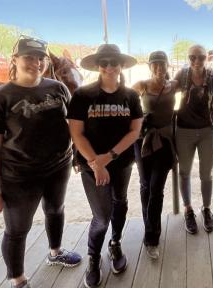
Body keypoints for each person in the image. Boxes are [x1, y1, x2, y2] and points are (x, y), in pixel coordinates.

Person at [0, 36, 81, 288]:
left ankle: (55, 252)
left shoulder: (58, 88)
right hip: (19, 176)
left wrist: (77, 154)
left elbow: (73, 126)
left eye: (41, 58)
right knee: (17, 229)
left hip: (58, 167)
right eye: (29, 57)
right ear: (15, 60)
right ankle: (17, 279)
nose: (36, 63)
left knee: (55, 210)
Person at [67, 44, 143, 287]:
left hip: (121, 163)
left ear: (121, 65)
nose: (109, 66)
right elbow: (77, 134)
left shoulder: (130, 96)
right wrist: (95, 163)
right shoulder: (83, 95)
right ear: (98, 66)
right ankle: (93, 256)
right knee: (101, 215)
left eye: (114, 62)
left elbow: (135, 130)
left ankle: (116, 243)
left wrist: (110, 156)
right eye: (104, 62)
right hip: (92, 167)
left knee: (120, 203)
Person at [132, 51, 177, 259]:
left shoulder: (173, 85)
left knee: (156, 188)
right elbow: (125, 104)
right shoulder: (141, 85)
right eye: (155, 64)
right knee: (145, 186)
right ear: (150, 66)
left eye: (162, 64)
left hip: (165, 142)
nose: (159, 68)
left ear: (168, 65)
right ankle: (149, 223)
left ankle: (152, 238)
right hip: (143, 142)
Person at [174, 44, 213, 234]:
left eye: (200, 57)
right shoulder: (181, 75)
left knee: (206, 174)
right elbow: (168, 95)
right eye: (192, 57)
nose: (196, 61)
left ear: (206, 58)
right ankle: (188, 209)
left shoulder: (212, 77)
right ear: (188, 58)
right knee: (184, 172)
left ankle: (206, 209)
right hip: (184, 130)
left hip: (207, 131)